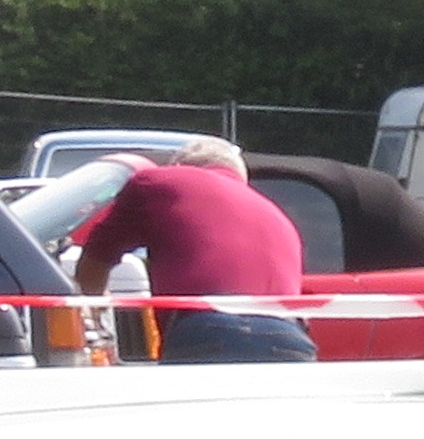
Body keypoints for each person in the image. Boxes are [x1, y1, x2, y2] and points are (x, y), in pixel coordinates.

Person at [65, 136, 317, 362]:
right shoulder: (277, 214)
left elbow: (95, 258)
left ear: (180, 166)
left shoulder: (157, 181)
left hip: (209, 329)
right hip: (290, 340)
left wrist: (95, 317)